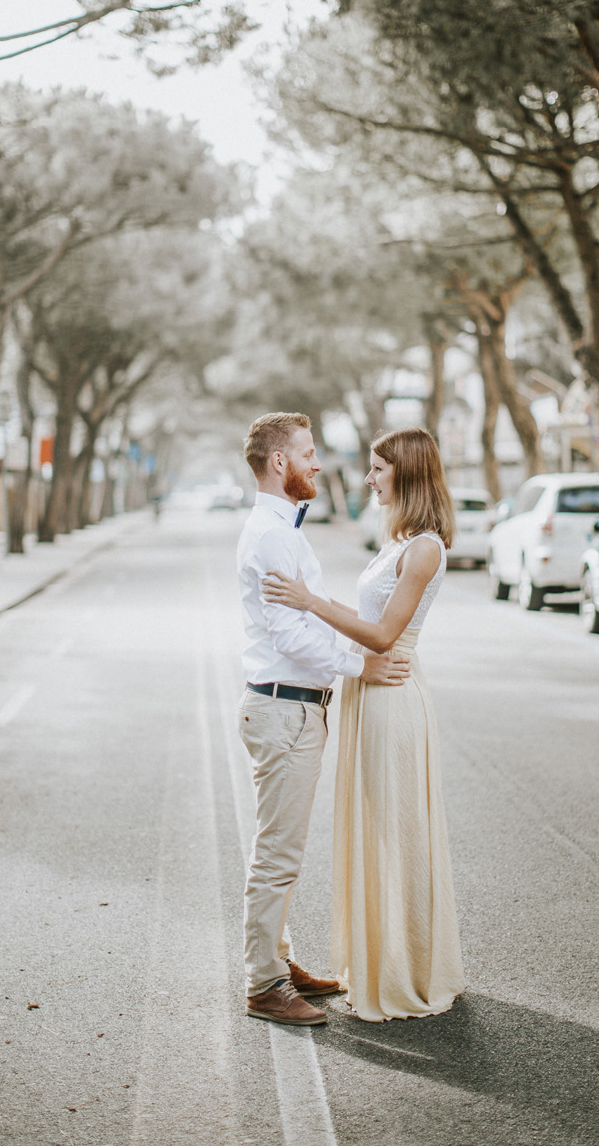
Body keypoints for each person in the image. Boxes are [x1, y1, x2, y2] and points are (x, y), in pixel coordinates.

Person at [263, 426, 465, 1022]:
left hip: (392, 697)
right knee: (376, 826)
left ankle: (407, 969)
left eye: (379, 469)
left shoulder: (424, 547)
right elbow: (367, 622)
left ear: (406, 473)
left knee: (395, 831)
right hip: (369, 689)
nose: (370, 478)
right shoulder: (397, 543)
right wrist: (319, 617)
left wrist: (310, 602)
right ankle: (383, 959)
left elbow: (382, 636)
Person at [237, 412, 410, 1027]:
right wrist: (361, 664)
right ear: (279, 462)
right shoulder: (273, 536)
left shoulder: (280, 529)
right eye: (308, 453)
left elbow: (304, 619)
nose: (317, 463)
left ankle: (279, 962)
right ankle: (263, 984)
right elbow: (291, 632)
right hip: (284, 708)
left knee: (283, 848)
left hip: (292, 709)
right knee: (277, 855)